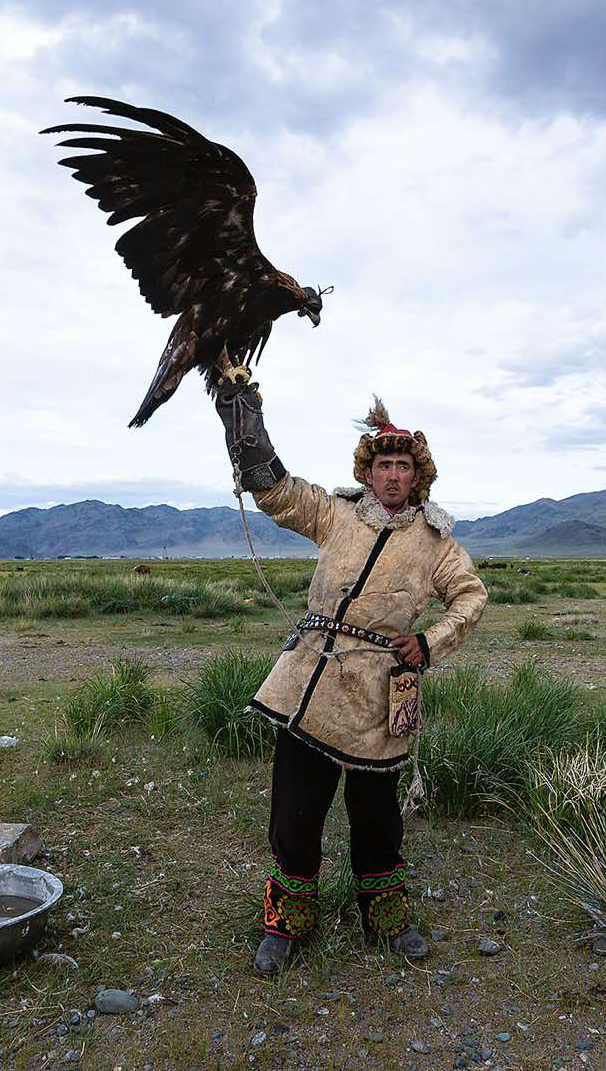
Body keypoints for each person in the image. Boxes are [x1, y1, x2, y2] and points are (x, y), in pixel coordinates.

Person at [215, 383, 488, 976]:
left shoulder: (437, 543)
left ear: (420, 476)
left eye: (404, 466)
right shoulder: (336, 513)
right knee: (295, 810)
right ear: (368, 472)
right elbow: (280, 495)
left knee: (377, 816)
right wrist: (246, 427)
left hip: (384, 689)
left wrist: (431, 641)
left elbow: (470, 596)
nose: (393, 475)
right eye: (384, 464)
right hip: (309, 680)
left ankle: (387, 919)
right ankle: (286, 924)